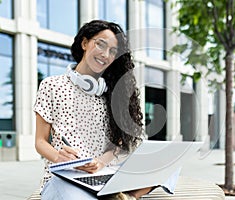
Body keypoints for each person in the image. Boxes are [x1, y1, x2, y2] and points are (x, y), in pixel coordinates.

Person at [34, 19, 153, 200]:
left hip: (103, 173)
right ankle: (120, 195)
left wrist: (100, 163)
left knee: (166, 166)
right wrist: (60, 157)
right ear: (84, 43)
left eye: (112, 51)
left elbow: (118, 145)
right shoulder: (51, 85)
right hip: (64, 177)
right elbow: (40, 142)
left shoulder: (112, 94)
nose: (106, 55)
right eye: (101, 45)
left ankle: (126, 195)